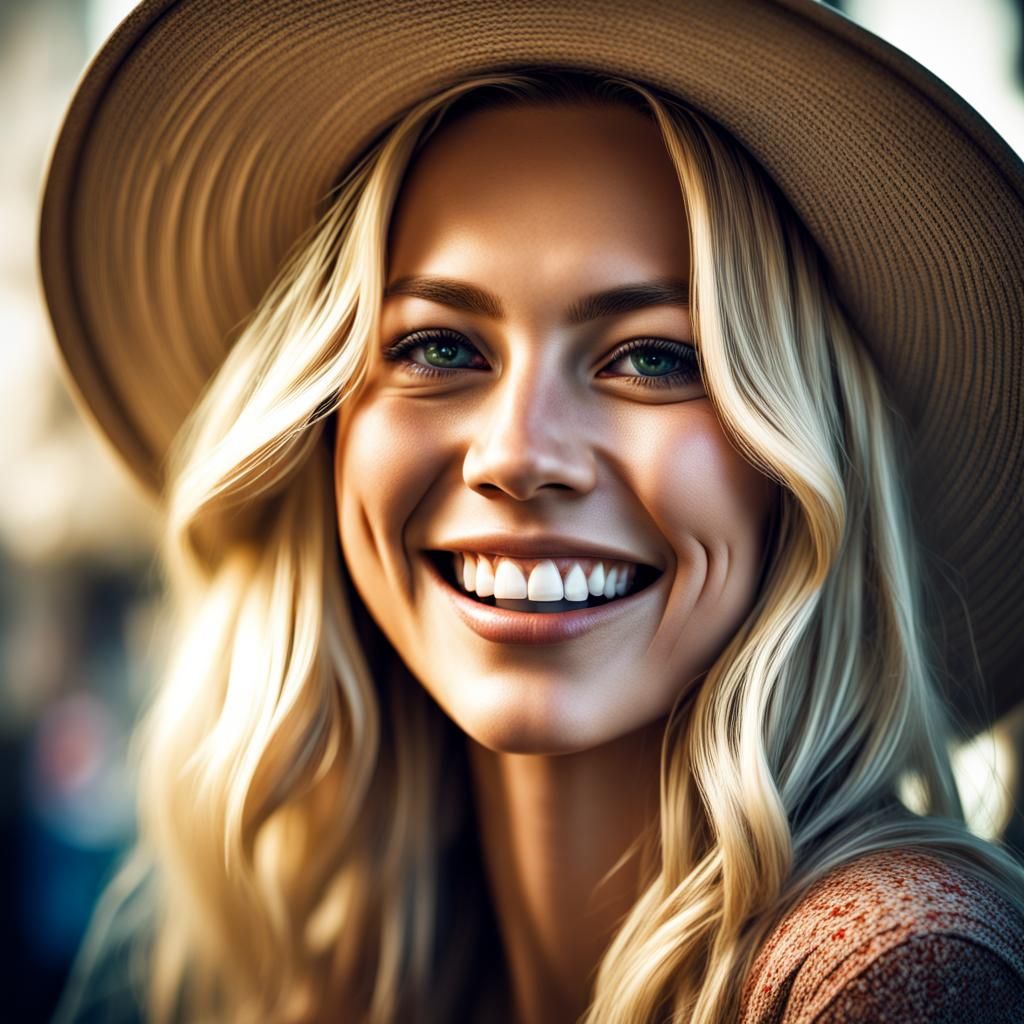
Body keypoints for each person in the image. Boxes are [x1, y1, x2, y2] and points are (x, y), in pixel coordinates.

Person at [39, 3, 1024, 1023]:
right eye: (438, 347)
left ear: (801, 462)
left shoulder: (896, 972)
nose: (516, 455)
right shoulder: (272, 948)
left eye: (653, 357)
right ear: (322, 421)